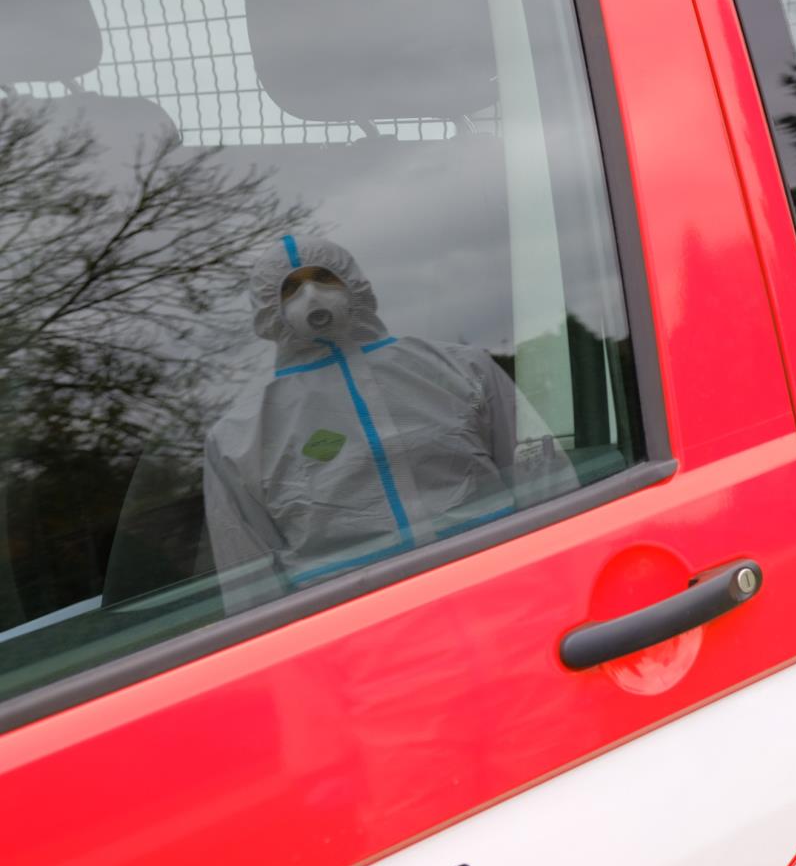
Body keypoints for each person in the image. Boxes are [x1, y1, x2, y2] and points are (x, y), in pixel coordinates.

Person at [204, 235, 574, 608]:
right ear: (268, 307)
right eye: (290, 288)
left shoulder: (461, 370)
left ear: (352, 282)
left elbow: (542, 478)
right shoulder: (242, 434)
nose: (311, 295)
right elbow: (248, 576)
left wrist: (566, 579)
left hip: (501, 586)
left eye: (323, 277)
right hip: (361, 617)